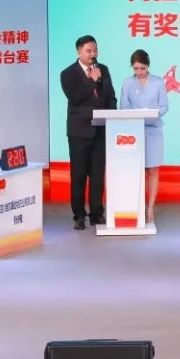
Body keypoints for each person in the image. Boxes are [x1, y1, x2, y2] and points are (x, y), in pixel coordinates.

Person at [59, 35, 117, 230]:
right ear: (79, 52)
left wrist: (113, 117)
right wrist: (92, 81)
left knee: (98, 175)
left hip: (100, 130)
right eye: (89, 51)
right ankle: (79, 215)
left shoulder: (103, 70)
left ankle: (96, 213)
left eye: (95, 50)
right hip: (79, 132)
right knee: (79, 175)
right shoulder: (68, 73)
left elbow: (110, 96)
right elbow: (75, 98)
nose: (93, 54)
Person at [120, 49, 169, 223]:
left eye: (142, 68)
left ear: (148, 66)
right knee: (136, 170)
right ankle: (137, 206)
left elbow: (164, 106)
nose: (139, 72)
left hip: (153, 130)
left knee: (152, 169)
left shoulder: (158, 82)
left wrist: (152, 113)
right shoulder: (127, 83)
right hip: (134, 132)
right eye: (136, 69)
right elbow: (123, 106)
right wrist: (135, 116)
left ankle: (150, 209)